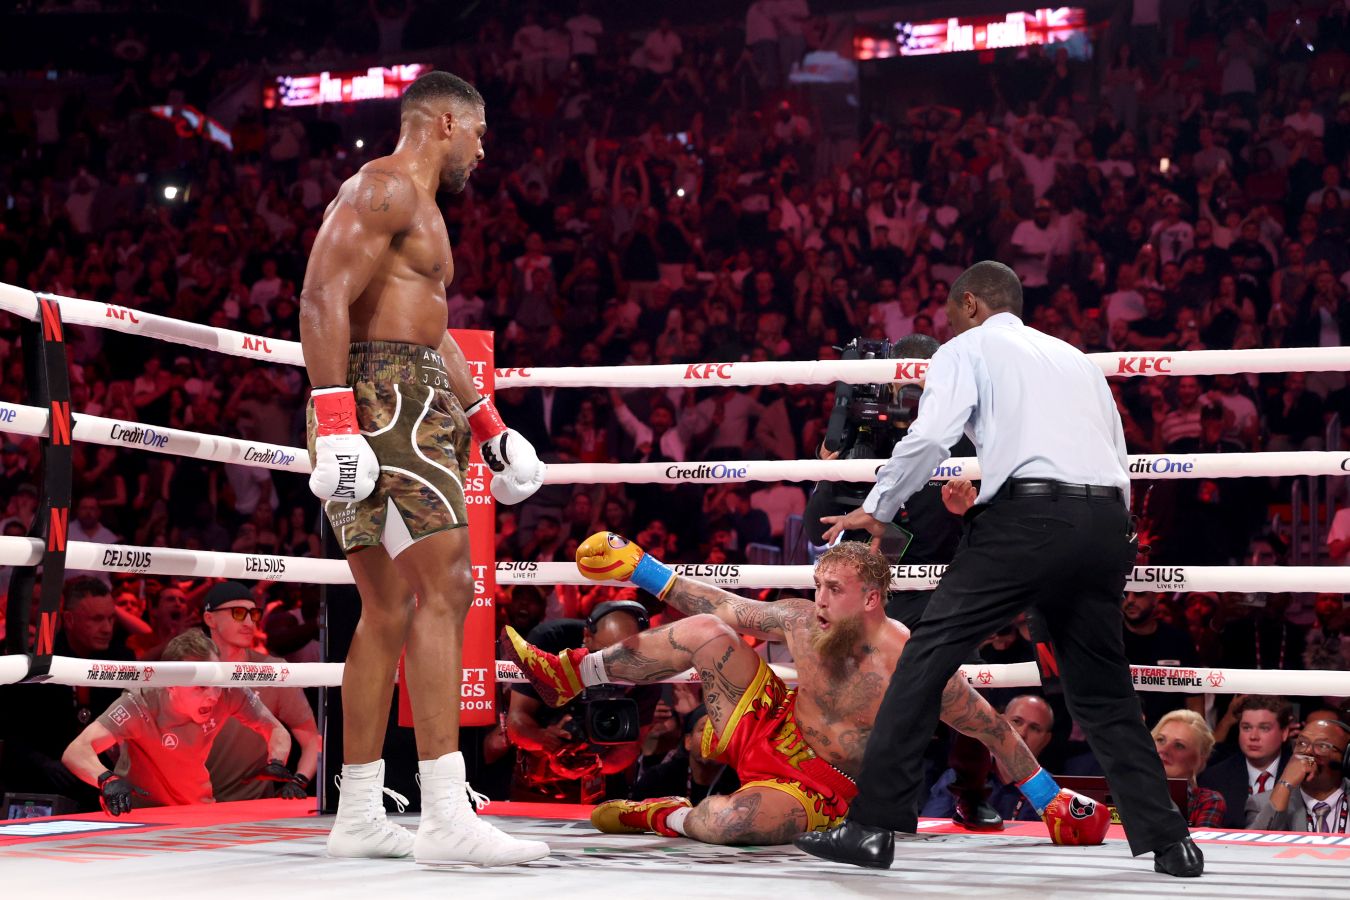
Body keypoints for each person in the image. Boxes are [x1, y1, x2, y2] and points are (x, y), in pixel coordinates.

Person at [795, 261, 1199, 876]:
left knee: (923, 659)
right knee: (1104, 692)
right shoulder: (1076, 359)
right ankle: (1173, 844)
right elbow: (1116, 455)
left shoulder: (966, 348)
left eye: (951, 313)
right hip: (1104, 526)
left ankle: (872, 827)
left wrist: (878, 507)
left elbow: (931, 437)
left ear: (971, 305)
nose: (950, 325)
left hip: (1027, 524)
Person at [299, 70, 547, 866]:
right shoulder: (384, 189)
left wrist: (489, 425)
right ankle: (445, 814)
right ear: (445, 123)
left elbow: (429, 330)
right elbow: (320, 296)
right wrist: (339, 419)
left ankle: (358, 812)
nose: (482, 150)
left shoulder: (419, 208)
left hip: (401, 396)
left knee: (387, 607)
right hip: (385, 404)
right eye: (478, 134)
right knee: (447, 588)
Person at [504, 533, 1107, 847]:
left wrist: (1050, 799)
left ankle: (665, 815)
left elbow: (993, 730)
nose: (818, 600)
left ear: (871, 599)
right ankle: (571, 673)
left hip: (819, 786)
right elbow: (724, 605)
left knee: (730, 826)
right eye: (818, 585)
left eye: (833, 590)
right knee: (709, 631)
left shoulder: (914, 665)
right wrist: (643, 567)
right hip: (769, 724)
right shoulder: (802, 619)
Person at [60, 630, 294, 812]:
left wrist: (277, 760)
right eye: (201, 686)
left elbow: (275, 729)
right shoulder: (139, 703)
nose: (213, 695)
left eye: (215, 683)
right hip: (141, 813)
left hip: (197, 808)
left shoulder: (228, 691)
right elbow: (76, 751)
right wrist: (107, 780)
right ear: (171, 685)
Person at [504, 600, 660, 803]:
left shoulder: (649, 666)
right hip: (539, 781)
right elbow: (516, 721)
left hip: (602, 786)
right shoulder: (550, 640)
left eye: (626, 657)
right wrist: (545, 740)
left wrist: (595, 765)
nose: (613, 665)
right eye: (606, 655)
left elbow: (632, 746)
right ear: (587, 636)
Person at [201, 581, 322, 801]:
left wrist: (298, 781)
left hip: (253, 806)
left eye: (254, 614)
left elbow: (312, 739)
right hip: (188, 802)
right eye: (238, 613)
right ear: (210, 619)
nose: (249, 623)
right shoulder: (187, 668)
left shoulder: (273, 670)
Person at [921, 695, 1055, 823]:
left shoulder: (1050, 791)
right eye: (1016, 721)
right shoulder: (961, 776)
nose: (1022, 733)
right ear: (1000, 724)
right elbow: (929, 828)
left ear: (1046, 740)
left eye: (1034, 728)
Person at [1199, 695, 1293, 828]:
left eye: (1264, 728)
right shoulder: (1213, 779)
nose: (1253, 737)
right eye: (1246, 728)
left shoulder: (1301, 779)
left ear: (1284, 733)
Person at [1249, 717, 1350, 833]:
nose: (1307, 751)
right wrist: (1285, 783)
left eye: (1322, 746)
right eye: (1302, 743)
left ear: (1346, 757)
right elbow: (1254, 843)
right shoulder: (1262, 804)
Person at [1151, 710, 1226, 828]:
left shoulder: (1208, 801)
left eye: (1179, 745)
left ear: (1200, 759)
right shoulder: (1126, 789)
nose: (1163, 750)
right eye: (1160, 740)